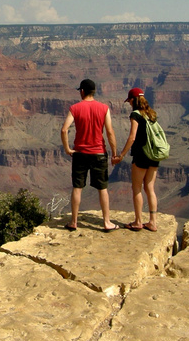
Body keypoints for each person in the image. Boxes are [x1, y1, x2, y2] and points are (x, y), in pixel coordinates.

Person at [61, 79, 121, 232]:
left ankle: (74, 222)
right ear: (93, 91)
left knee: (77, 187)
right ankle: (107, 222)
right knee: (102, 188)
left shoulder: (75, 108)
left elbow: (64, 130)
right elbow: (110, 132)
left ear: (82, 91)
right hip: (99, 153)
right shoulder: (104, 108)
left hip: (80, 153)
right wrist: (114, 154)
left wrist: (67, 148)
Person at [122, 87, 161, 232]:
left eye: (130, 101)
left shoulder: (135, 115)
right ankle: (152, 222)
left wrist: (121, 154)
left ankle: (138, 221)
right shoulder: (151, 114)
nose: (129, 103)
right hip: (154, 155)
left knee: (137, 188)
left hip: (141, 155)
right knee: (150, 188)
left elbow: (132, 136)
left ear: (133, 100)